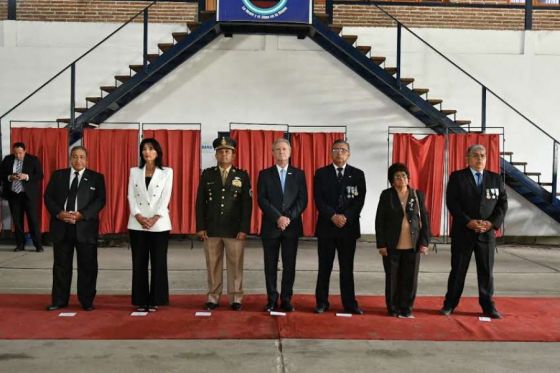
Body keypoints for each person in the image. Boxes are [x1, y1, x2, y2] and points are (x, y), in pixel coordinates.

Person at [441, 144, 508, 319]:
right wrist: (468, 222)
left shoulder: (495, 179)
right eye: (476, 156)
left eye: (483, 156)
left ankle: (488, 306)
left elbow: (502, 204)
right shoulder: (457, 177)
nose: (480, 159)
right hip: (464, 232)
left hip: (486, 233)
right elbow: (452, 203)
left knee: (486, 272)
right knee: (458, 271)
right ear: (468, 158)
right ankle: (450, 304)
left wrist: (491, 223)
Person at [44, 146, 106, 311]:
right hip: (61, 226)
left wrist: (82, 215)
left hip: (85, 228)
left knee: (88, 266)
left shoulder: (96, 178)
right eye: (75, 157)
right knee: (61, 266)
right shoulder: (58, 175)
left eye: (81, 157)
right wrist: (59, 213)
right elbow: (48, 196)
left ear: (87, 159)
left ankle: (86, 301)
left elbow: (100, 201)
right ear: (70, 159)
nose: (78, 160)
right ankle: (59, 300)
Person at [195, 137, 252, 311]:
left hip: (234, 230)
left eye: (227, 151)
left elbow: (246, 205)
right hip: (211, 228)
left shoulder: (242, 175)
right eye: (220, 151)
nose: (224, 154)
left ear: (233, 155)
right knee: (213, 264)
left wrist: (244, 229)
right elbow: (200, 202)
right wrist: (200, 227)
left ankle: (236, 298)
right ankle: (213, 297)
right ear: (216, 154)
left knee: (235, 265)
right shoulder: (207, 174)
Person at [313, 139, 366, 315]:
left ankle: (349, 303)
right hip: (327, 227)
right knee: (324, 267)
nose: (339, 153)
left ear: (348, 154)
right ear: (330, 153)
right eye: (335, 149)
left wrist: (346, 217)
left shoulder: (358, 174)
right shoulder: (321, 173)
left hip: (348, 229)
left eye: (343, 150)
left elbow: (359, 201)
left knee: (347, 268)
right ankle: (321, 302)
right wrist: (333, 216)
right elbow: (318, 199)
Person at [257, 138, 308, 312]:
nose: (281, 152)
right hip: (271, 226)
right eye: (277, 149)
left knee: (289, 265)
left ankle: (286, 298)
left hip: (291, 227)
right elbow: (262, 199)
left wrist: (287, 218)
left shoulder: (299, 174)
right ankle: (271, 298)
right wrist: (278, 217)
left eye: (284, 149)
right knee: (270, 266)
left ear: (290, 152)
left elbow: (303, 200)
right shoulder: (264, 174)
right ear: (272, 152)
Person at [375, 163, 430, 318]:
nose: (401, 179)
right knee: (392, 278)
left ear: (408, 178)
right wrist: (381, 244)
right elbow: (379, 221)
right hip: (392, 244)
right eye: (397, 177)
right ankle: (393, 307)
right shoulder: (387, 195)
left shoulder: (417, 195)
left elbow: (425, 220)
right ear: (392, 181)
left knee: (410, 278)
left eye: (404, 176)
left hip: (412, 244)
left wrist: (424, 242)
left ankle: (406, 307)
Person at [127, 138, 173, 312]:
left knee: (158, 262)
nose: (147, 152)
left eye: (151, 149)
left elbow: (165, 197)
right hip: (137, 223)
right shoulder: (134, 171)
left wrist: (154, 218)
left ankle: (156, 299)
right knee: (139, 262)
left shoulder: (167, 172)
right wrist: (138, 216)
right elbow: (131, 196)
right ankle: (140, 300)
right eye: (144, 149)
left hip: (159, 224)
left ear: (157, 152)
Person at [0, 142, 44, 252]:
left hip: (29, 195)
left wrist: (27, 176)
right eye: (15, 153)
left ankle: (38, 245)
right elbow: (1, 174)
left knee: (33, 221)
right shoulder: (7, 159)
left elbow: (40, 175)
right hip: (14, 195)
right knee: (17, 222)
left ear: (25, 151)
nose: (18, 155)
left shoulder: (33, 159)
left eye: (20, 153)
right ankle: (20, 244)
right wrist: (10, 177)